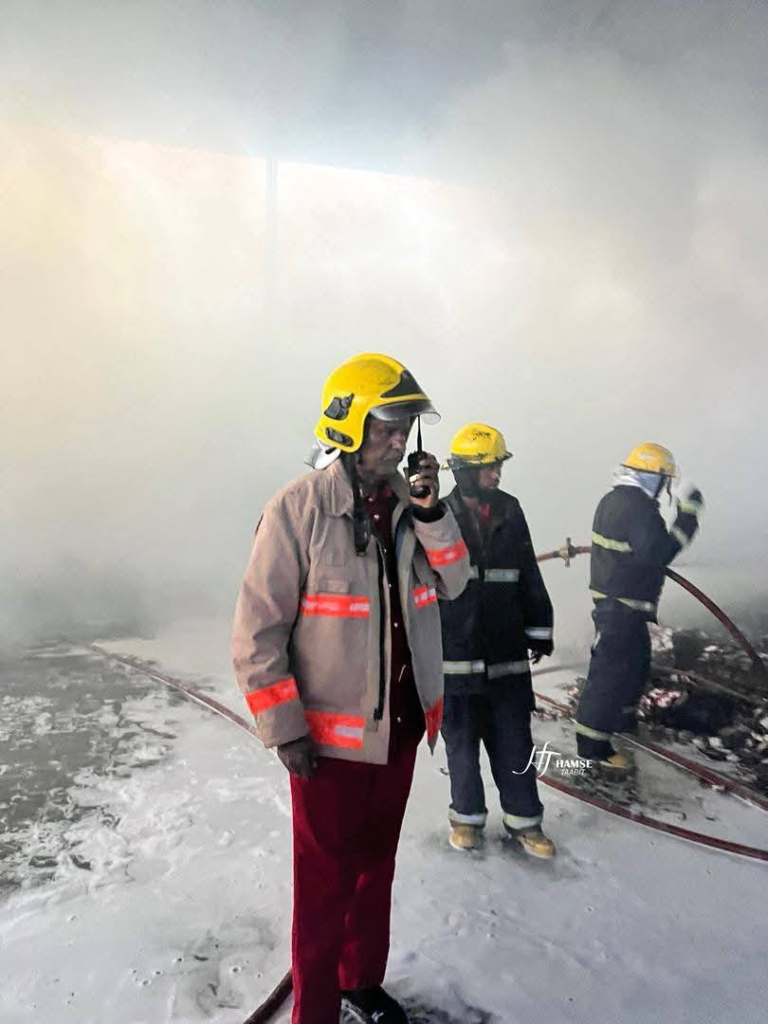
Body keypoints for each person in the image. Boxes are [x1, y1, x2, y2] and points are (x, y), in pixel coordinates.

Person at [232, 353, 469, 1024]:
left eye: (404, 429)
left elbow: (454, 581)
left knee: (375, 868)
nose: (398, 442)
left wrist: (432, 512)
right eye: (387, 427)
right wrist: (285, 731)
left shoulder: (410, 508)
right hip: (327, 750)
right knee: (323, 888)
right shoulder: (298, 510)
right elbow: (256, 634)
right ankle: (315, 1012)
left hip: (398, 733)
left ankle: (360, 981)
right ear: (348, 426)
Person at [437, 423, 556, 858]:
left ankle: (526, 823)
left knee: (514, 742)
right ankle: (466, 820)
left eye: (498, 466)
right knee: (462, 743)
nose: (496, 474)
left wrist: (540, 627)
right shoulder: (437, 516)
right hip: (456, 657)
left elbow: (527, 571)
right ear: (464, 471)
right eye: (487, 467)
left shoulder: (510, 509)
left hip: (506, 654)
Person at [575, 442, 704, 768]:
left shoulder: (616, 500)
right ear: (652, 477)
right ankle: (592, 747)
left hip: (621, 604)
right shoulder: (638, 509)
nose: (665, 489)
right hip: (621, 606)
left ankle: (623, 721)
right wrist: (688, 516)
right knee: (609, 674)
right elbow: (659, 553)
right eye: (664, 481)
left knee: (636, 665)